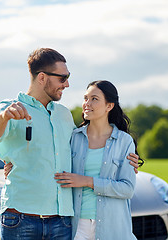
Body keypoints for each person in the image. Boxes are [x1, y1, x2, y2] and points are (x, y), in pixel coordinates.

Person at [0, 48, 139, 240]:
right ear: (42, 78)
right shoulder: (11, 107)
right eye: (62, 78)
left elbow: (80, 152)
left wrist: (128, 160)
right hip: (21, 218)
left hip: (61, 221)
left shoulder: (64, 115)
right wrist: (4, 116)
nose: (67, 84)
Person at [54, 80, 140, 240]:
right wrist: (13, 163)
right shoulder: (74, 138)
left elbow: (127, 189)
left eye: (94, 99)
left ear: (109, 106)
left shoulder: (124, 141)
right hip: (77, 227)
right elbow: (52, 161)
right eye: (85, 98)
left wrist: (87, 181)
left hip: (113, 226)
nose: (87, 103)